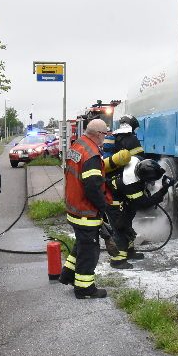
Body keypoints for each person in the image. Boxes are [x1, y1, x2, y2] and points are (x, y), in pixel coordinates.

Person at [58, 119, 119, 299]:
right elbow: (92, 186)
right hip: (86, 210)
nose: (105, 138)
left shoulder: (78, 146)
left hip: (74, 206)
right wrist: (103, 207)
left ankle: (68, 275)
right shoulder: (92, 154)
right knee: (89, 251)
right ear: (98, 134)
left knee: (81, 244)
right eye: (105, 134)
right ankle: (85, 288)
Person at [107, 157, 173, 268]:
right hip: (113, 201)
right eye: (149, 181)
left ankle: (129, 252)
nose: (151, 183)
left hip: (123, 197)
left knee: (127, 224)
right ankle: (117, 260)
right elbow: (145, 203)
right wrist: (163, 190)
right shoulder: (131, 184)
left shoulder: (137, 161)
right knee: (120, 227)